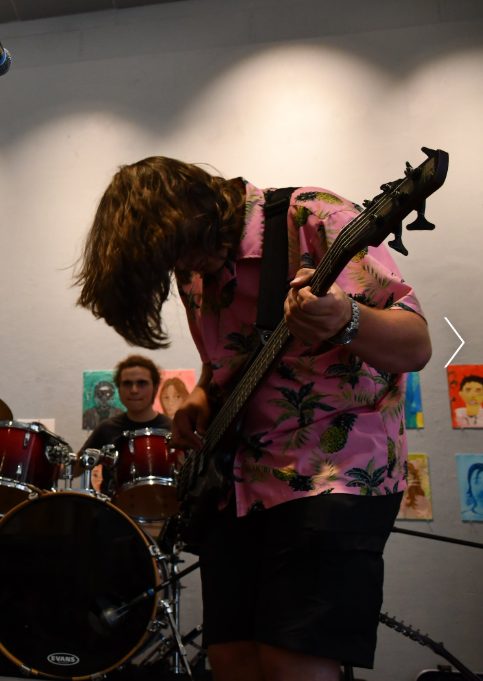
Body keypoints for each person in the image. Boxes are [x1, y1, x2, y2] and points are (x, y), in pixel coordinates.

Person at [75, 157, 431, 679]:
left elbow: (416, 346)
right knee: (233, 661)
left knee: (292, 664)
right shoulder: (193, 268)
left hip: (333, 474)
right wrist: (200, 395)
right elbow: (231, 359)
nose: (187, 270)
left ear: (196, 212)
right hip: (237, 484)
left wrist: (345, 318)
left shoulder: (312, 218)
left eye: (184, 254)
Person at [80, 355, 173, 496]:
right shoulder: (106, 429)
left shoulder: (172, 428)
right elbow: (74, 468)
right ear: (119, 389)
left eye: (142, 383)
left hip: (165, 509)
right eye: (127, 384)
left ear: (155, 388)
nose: (134, 390)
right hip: (114, 514)